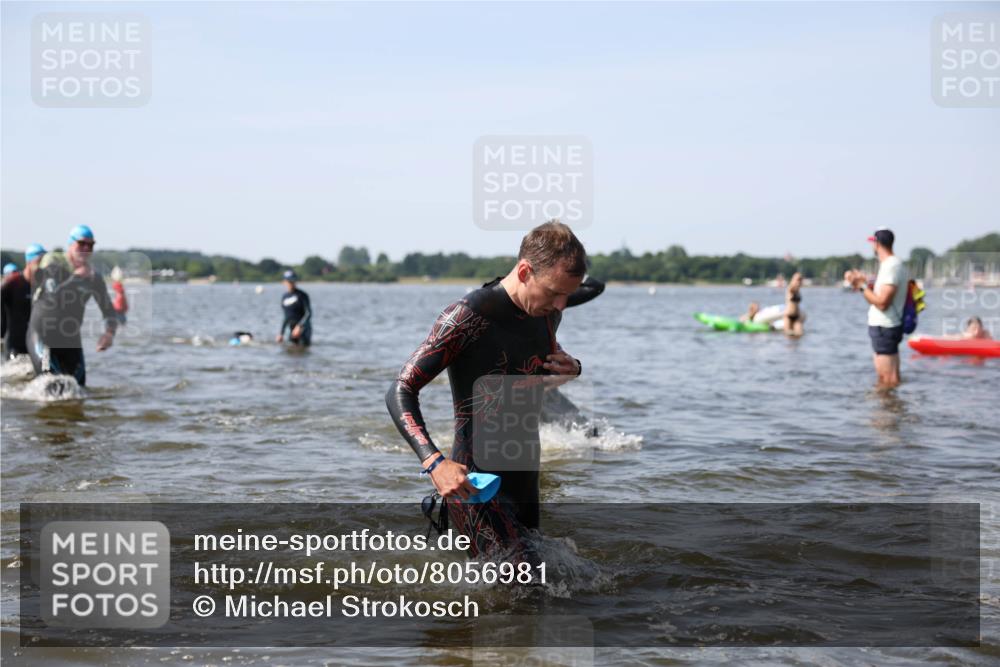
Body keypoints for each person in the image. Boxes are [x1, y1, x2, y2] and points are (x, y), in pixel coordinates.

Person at [386, 221, 585, 559]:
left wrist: (572, 367)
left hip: (524, 477)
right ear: (524, 272)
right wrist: (435, 464)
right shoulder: (467, 316)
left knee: (535, 586)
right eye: (554, 293)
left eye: (568, 295)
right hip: (475, 481)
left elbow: (529, 364)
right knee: (525, 587)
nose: (562, 305)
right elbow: (400, 390)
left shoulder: (546, 313)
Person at [27, 227, 118, 387]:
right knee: (50, 385)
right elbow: (53, 296)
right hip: (43, 336)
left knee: (77, 390)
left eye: (90, 245)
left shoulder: (93, 277)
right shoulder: (53, 262)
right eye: (81, 244)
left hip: (71, 340)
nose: (86, 249)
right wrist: (76, 278)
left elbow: (109, 310)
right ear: (70, 244)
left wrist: (109, 334)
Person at [845, 228, 908, 388]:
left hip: (885, 326)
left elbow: (882, 302)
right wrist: (863, 284)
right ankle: (893, 409)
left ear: (877, 243)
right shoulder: (892, 264)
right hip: (888, 326)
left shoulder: (891, 266)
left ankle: (885, 412)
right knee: (891, 379)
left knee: (886, 380)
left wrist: (860, 286)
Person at [1, 245, 45, 358]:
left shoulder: (41, 286)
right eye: (39, 262)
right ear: (29, 262)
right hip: (14, 345)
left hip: (34, 346)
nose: (42, 266)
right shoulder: (14, 283)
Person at [275, 270, 312, 347]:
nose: (291, 283)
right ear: (284, 282)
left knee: (302, 352)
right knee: (290, 352)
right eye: (289, 281)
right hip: (291, 328)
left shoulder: (302, 295)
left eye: (293, 280)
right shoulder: (284, 297)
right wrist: (281, 333)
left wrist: (299, 326)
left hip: (303, 329)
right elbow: (286, 317)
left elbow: (308, 313)